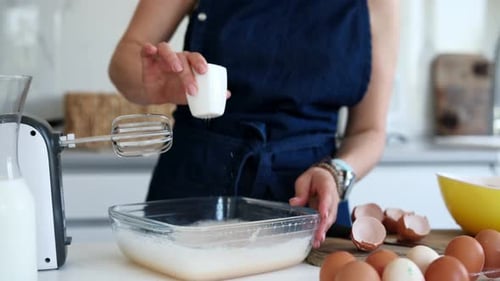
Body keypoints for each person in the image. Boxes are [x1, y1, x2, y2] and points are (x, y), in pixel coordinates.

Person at [108, 0, 399, 248]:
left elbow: (369, 131)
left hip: (307, 210)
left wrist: (336, 173)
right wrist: (152, 83)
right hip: (193, 192)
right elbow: (124, 61)